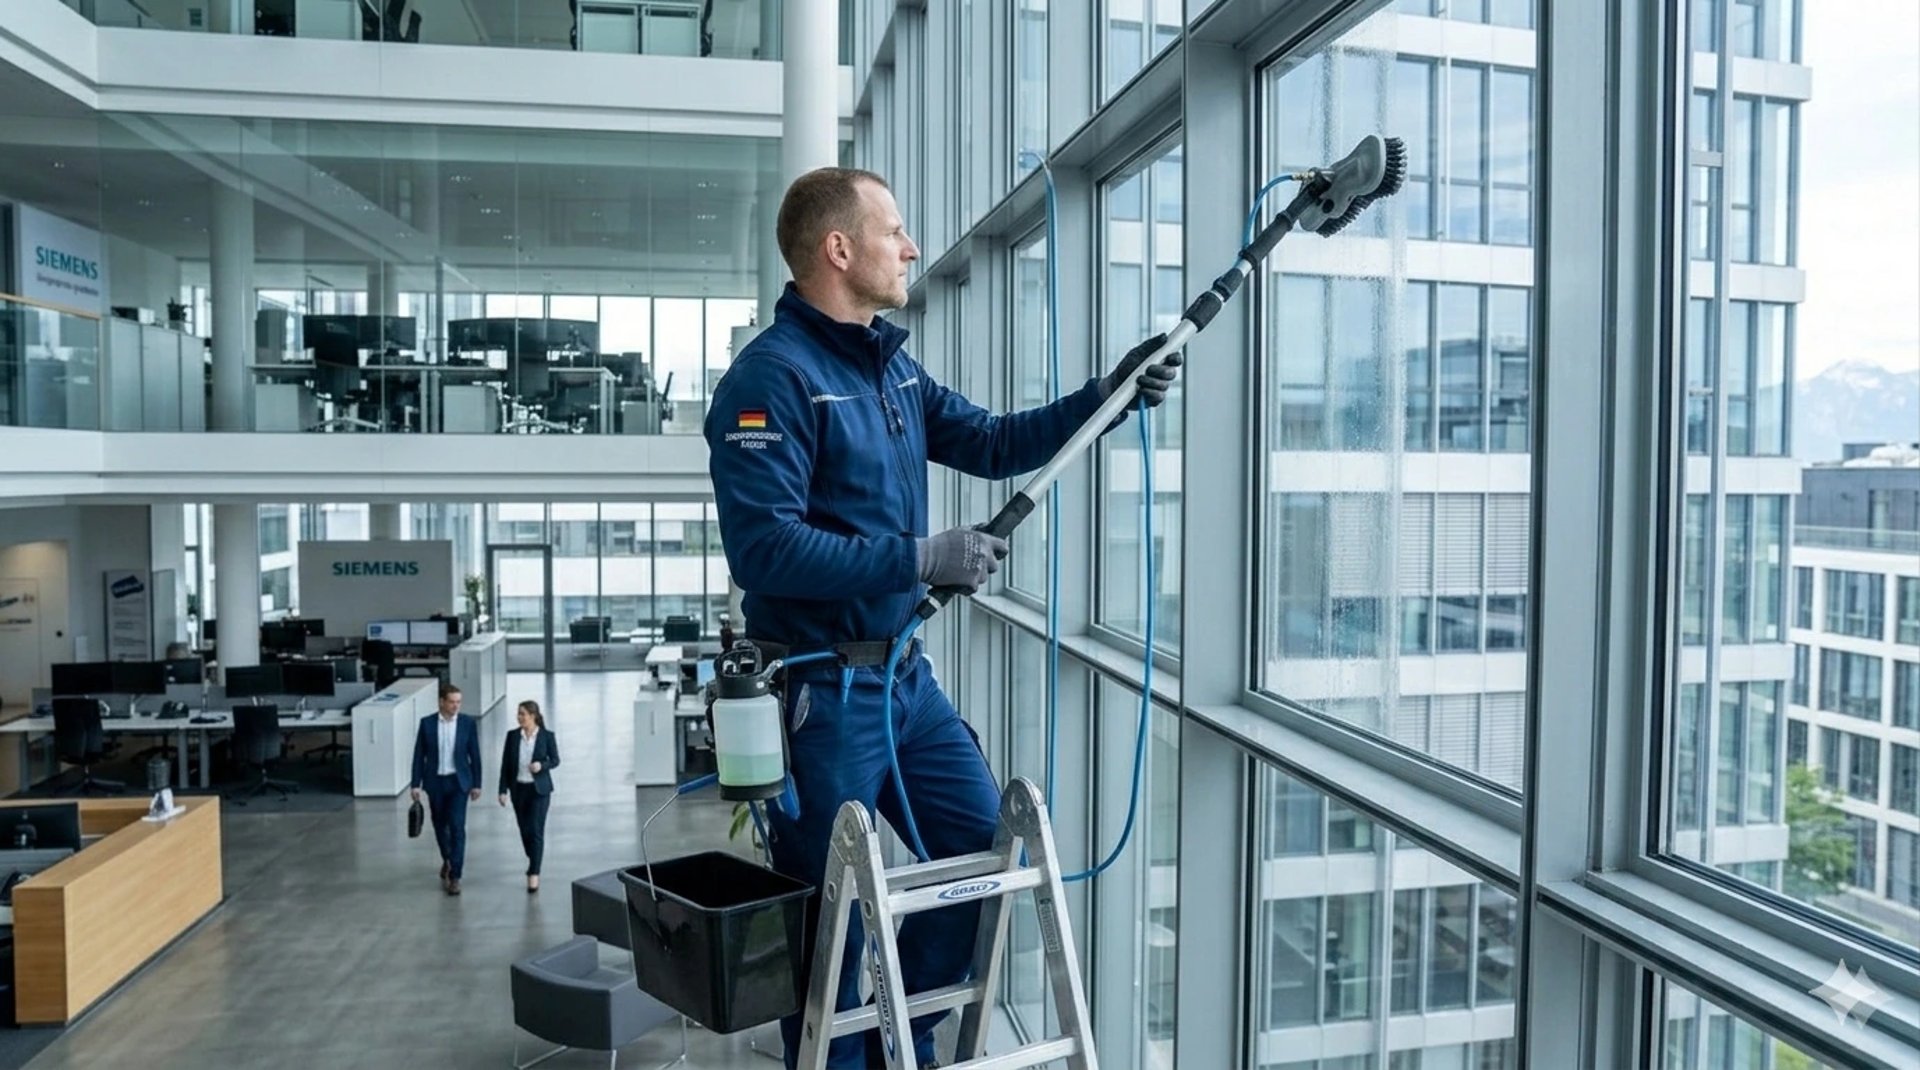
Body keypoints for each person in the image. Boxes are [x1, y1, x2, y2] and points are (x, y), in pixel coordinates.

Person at [705, 167, 1178, 1069]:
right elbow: (764, 550)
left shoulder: (888, 367)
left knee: (980, 857)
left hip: (904, 684)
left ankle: (905, 1041)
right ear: (839, 250)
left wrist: (1109, 394)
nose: (912, 248)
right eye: (895, 230)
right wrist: (921, 557)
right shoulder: (770, 382)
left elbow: (996, 442)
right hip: (820, 695)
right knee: (828, 928)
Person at [409, 683, 482, 896]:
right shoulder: (427, 724)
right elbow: (418, 756)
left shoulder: (467, 724)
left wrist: (477, 783)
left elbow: (474, 756)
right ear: (442, 702)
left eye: (458, 702)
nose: (455, 706)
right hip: (435, 782)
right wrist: (415, 783)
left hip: (459, 783)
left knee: (458, 827)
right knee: (440, 825)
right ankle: (448, 859)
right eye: (451, 702)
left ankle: (455, 875)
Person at [497, 700, 560, 892]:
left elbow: (555, 760)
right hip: (519, 789)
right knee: (525, 831)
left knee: (536, 830)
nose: (519, 717)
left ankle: (534, 872)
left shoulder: (547, 736)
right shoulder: (512, 736)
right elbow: (505, 765)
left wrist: (542, 766)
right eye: (518, 714)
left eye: (522, 714)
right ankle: (533, 856)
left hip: (539, 790)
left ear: (533, 716)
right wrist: (502, 790)